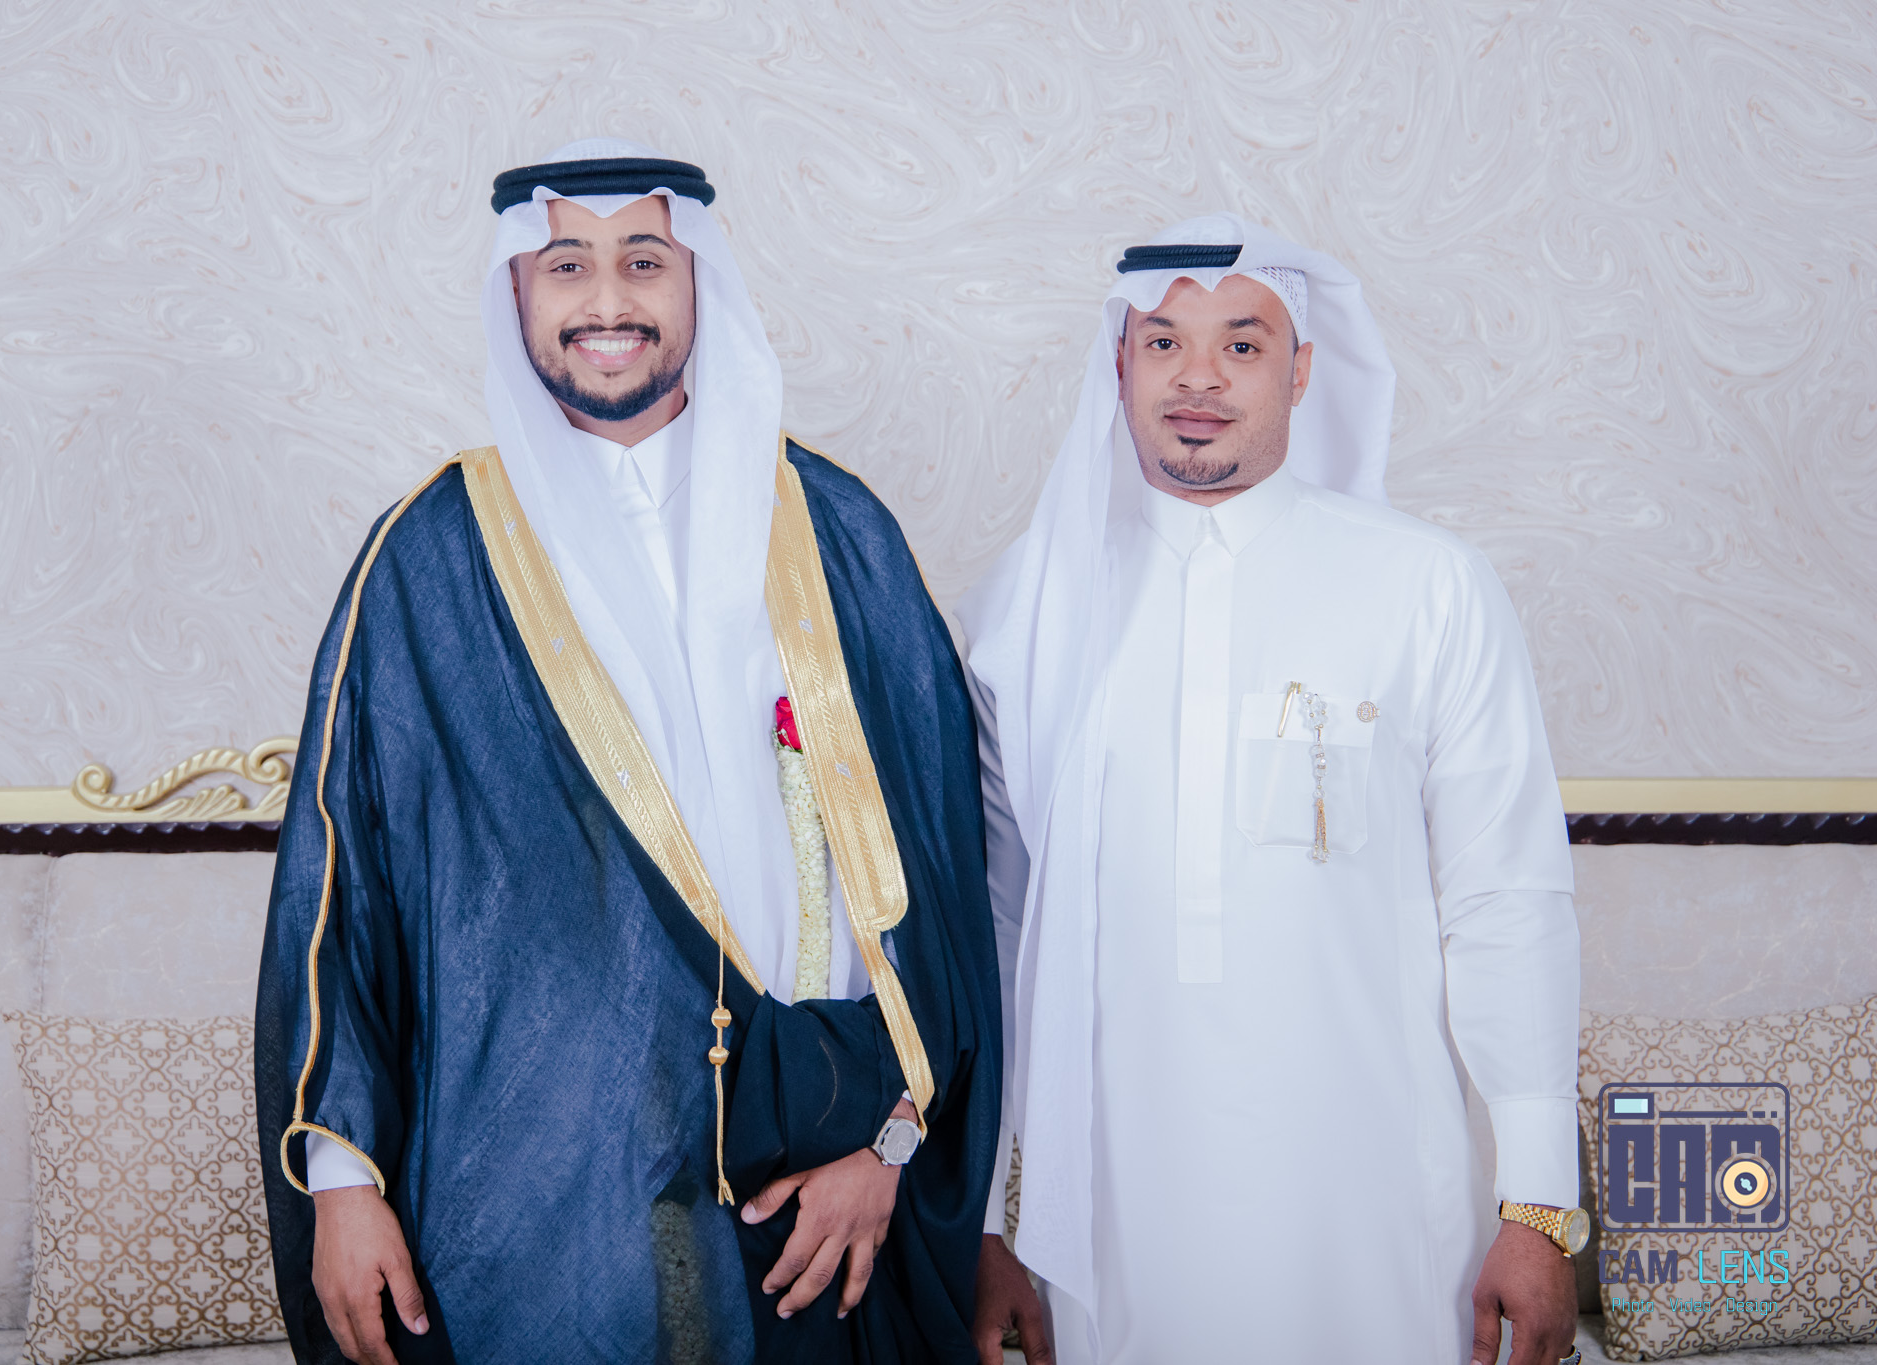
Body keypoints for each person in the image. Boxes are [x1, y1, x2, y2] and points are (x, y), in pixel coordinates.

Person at [254, 138, 1000, 1365]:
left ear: (698, 280)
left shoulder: (837, 534)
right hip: (543, 1176)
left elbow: (940, 878)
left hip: (820, 1168)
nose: (607, 300)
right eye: (567, 266)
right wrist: (342, 1185)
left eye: (643, 261)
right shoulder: (428, 560)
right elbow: (342, 893)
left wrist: (891, 1144)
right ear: (516, 292)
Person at [962, 216, 1585, 1365]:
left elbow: (1506, 901)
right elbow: (997, 934)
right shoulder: (1026, 610)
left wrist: (1539, 1205)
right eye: (1164, 342)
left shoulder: (1426, 588)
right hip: (1110, 1220)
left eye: (1240, 345)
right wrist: (992, 1223)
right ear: (1118, 362)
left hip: (1374, 1210)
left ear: (1300, 370)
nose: (1197, 378)